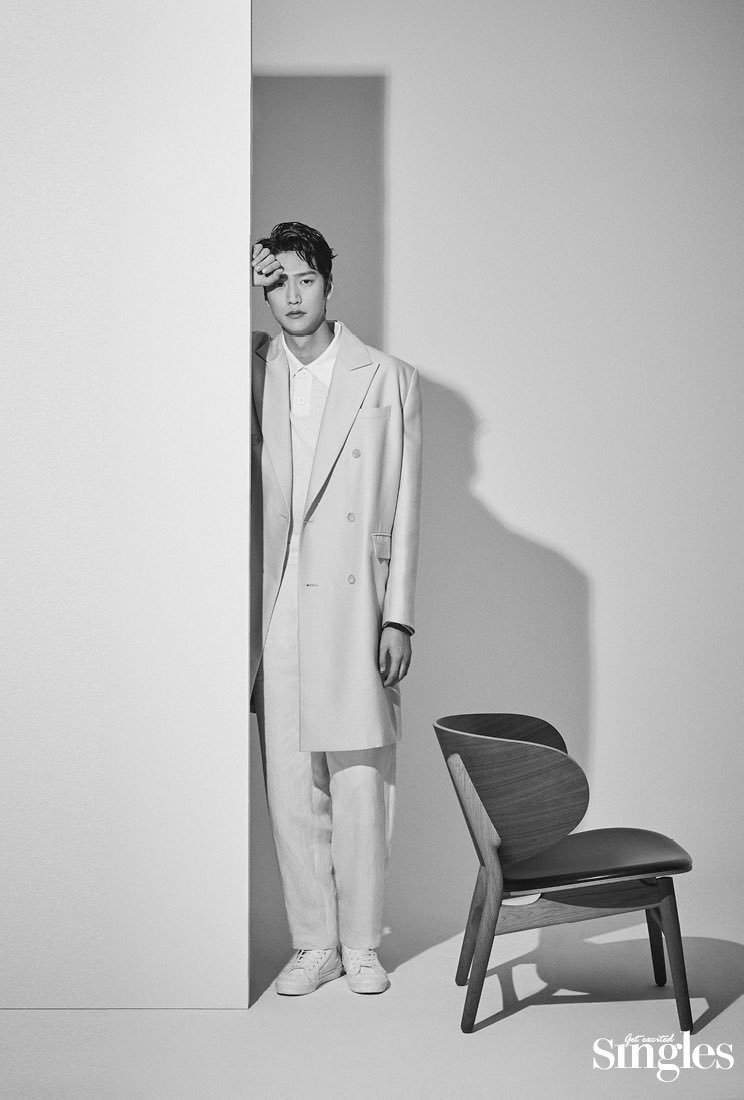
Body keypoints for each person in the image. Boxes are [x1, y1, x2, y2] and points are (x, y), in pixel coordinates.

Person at [250, 221, 422, 996]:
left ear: (328, 283)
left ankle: (361, 943)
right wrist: (227, 276)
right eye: (276, 280)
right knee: (291, 780)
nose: (292, 295)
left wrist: (398, 615)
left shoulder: (386, 377)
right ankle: (313, 942)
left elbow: (406, 505)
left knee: (359, 777)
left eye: (305, 278)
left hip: (356, 599)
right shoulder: (251, 369)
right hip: (281, 592)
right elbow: (174, 343)